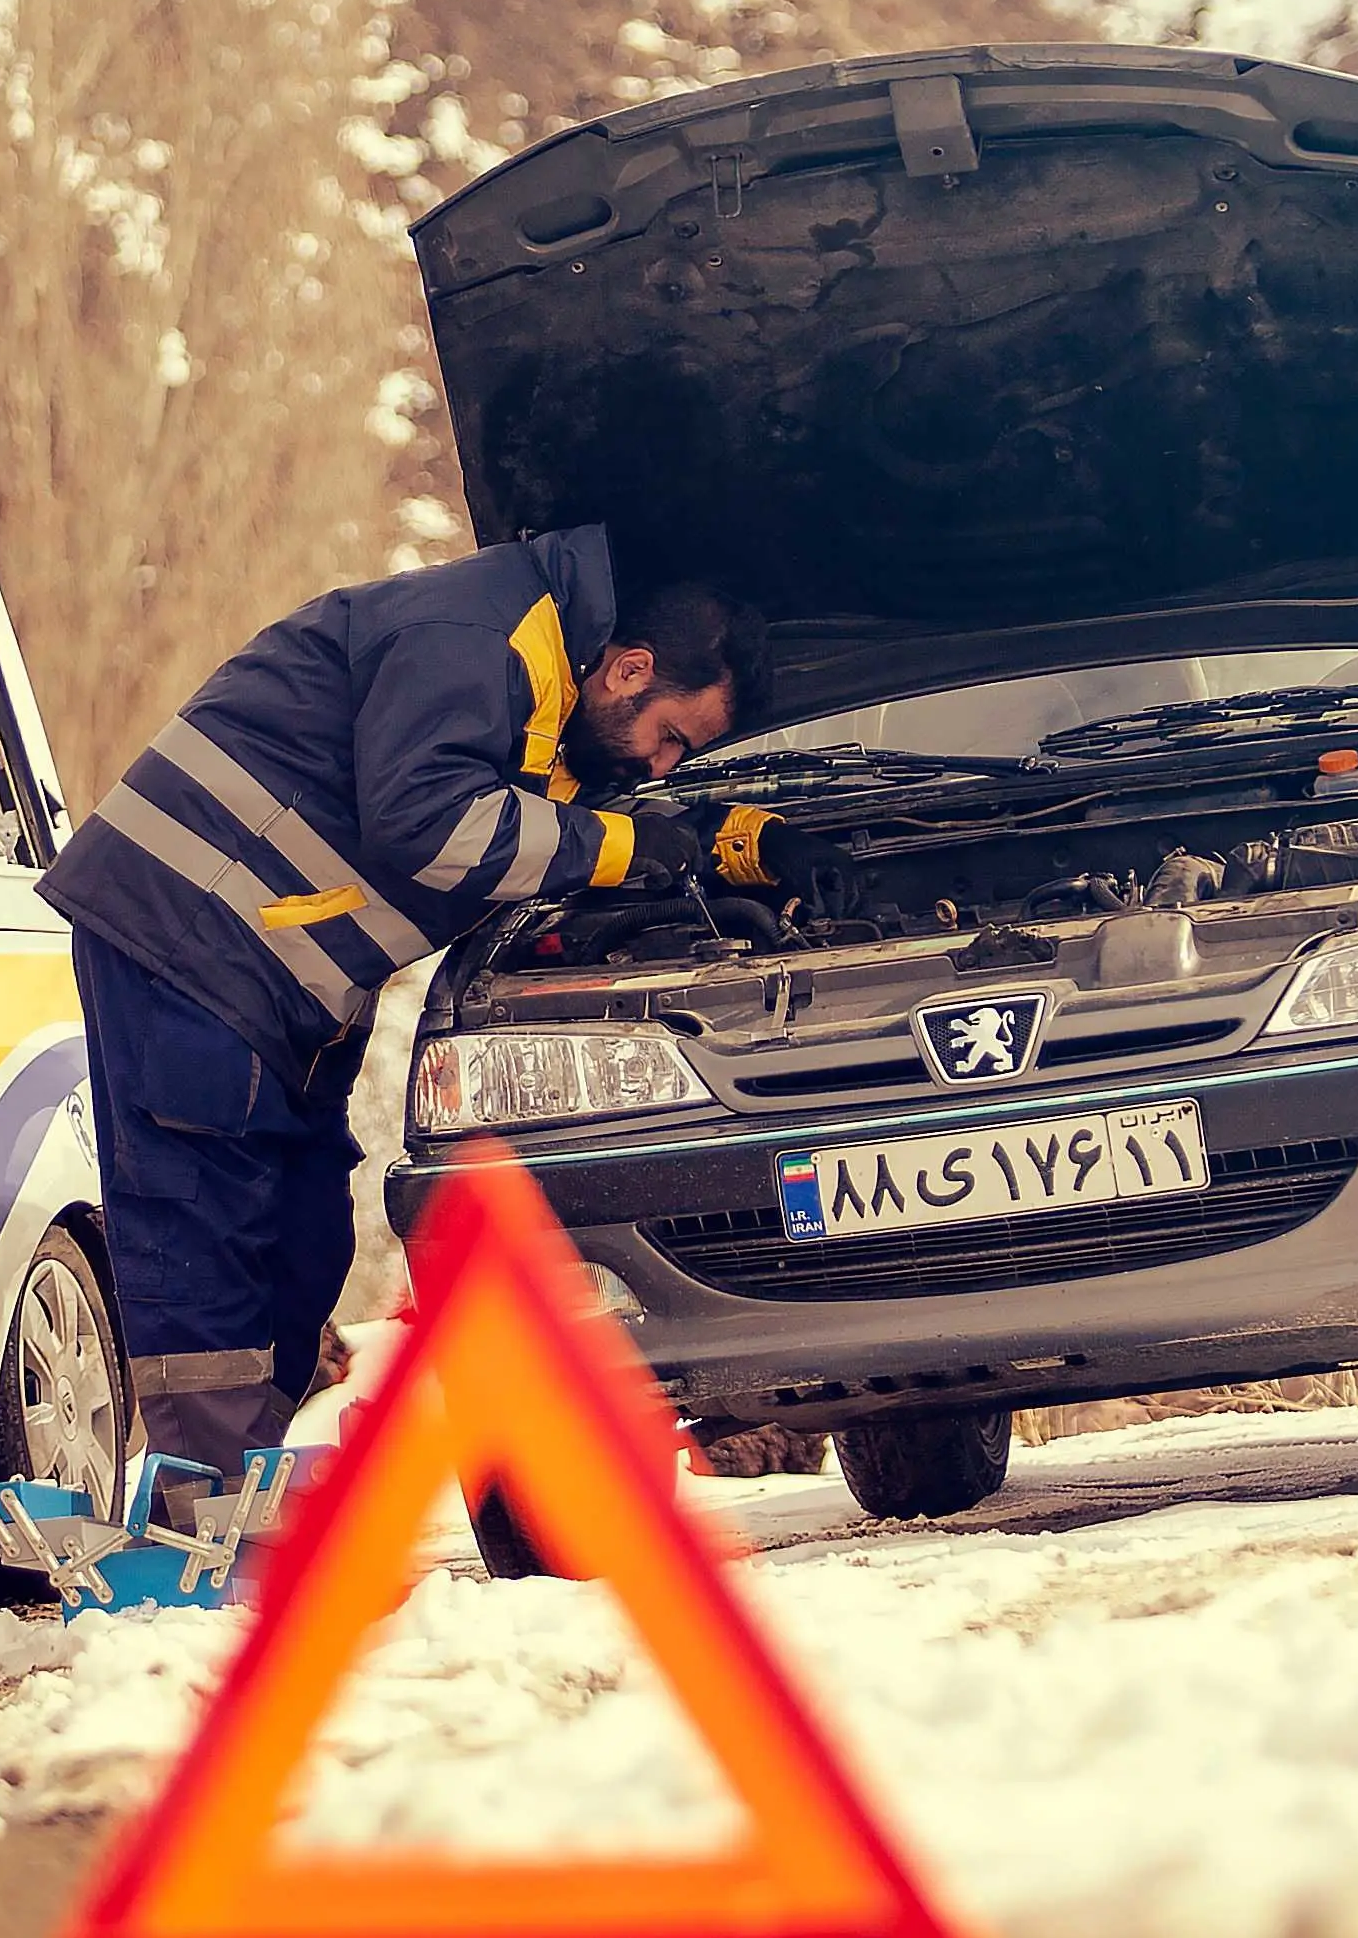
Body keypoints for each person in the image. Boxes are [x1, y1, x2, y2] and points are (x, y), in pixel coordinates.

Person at [43, 533, 795, 1481]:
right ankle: (203, 1510)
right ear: (630, 670)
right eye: (674, 738)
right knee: (205, 1226)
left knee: (301, 1234)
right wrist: (626, 851)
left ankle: (245, 1487)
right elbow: (432, 823)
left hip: (283, 975)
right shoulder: (473, 635)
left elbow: (548, 796)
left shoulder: (545, 672)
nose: (660, 765)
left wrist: (717, 840)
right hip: (186, 938)